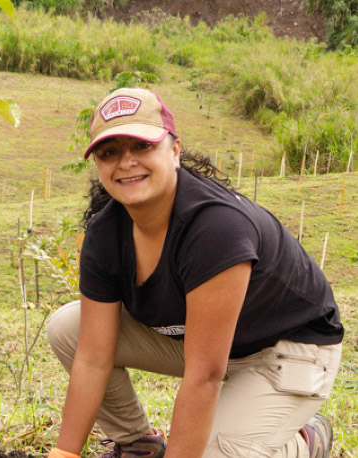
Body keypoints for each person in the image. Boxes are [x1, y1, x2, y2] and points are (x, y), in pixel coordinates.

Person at [45, 88, 343, 458]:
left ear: (174, 151)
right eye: (110, 152)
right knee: (68, 329)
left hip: (287, 351)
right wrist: (65, 452)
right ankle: (139, 447)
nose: (125, 163)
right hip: (210, 345)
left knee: (209, 453)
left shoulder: (216, 228)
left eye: (141, 146)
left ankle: (303, 443)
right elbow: (92, 358)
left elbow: (204, 378)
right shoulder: (106, 232)